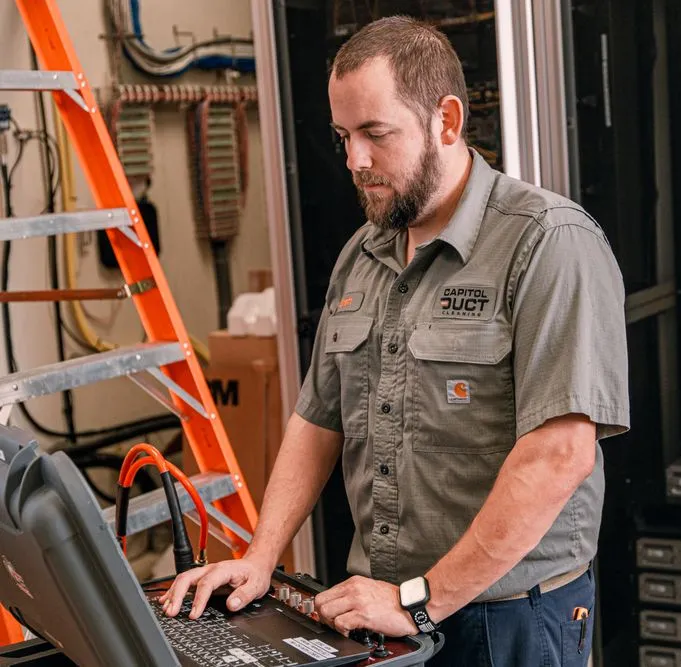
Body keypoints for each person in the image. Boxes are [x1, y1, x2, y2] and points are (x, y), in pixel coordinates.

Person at [159, 14, 629, 666]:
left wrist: (422, 600)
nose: (355, 160)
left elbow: (560, 454)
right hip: (381, 612)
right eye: (343, 137)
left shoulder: (548, 242)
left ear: (447, 121)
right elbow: (317, 419)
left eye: (375, 134)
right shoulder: (361, 255)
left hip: (508, 619)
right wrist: (262, 557)